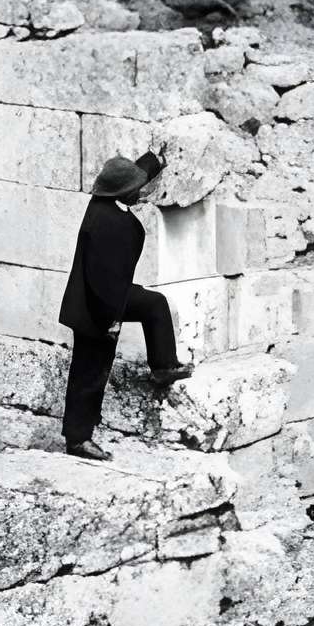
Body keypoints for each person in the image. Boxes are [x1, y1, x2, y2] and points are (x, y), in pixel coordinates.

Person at [57, 151, 192, 460]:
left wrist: (156, 157)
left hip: (110, 293)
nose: (140, 193)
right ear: (122, 192)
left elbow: (131, 176)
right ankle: (78, 440)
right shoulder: (107, 223)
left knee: (153, 304)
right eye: (136, 190)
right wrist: (111, 320)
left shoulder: (106, 202)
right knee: (90, 373)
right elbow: (101, 282)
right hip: (96, 307)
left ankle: (163, 366)